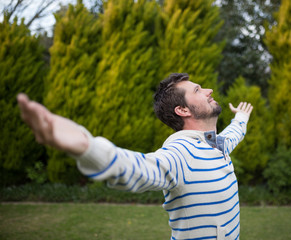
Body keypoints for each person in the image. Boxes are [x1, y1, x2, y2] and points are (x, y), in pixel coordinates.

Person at [17, 73, 253, 240]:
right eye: (198, 90)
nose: (209, 90)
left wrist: (241, 117)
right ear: (183, 110)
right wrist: (88, 148)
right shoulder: (181, 155)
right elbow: (139, 169)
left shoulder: (216, 145)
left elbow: (232, 134)